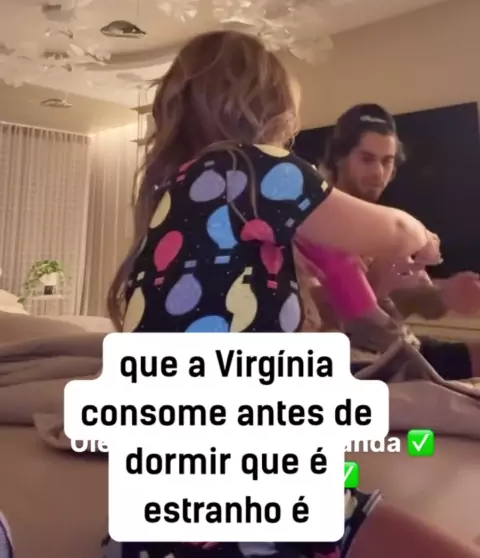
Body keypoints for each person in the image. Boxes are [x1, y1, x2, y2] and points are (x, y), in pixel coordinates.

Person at [102, 32, 478, 558]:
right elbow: (395, 234)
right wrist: (424, 237)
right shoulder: (247, 167)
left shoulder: (176, 198)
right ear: (269, 110)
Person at [318, 103, 480, 379]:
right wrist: (374, 287)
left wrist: (447, 294)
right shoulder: (316, 221)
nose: (378, 173)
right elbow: (315, 317)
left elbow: (410, 299)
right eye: (367, 159)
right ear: (339, 159)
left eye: (387, 161)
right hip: (354, 364)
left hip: (397, 347)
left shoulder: (381, 226)